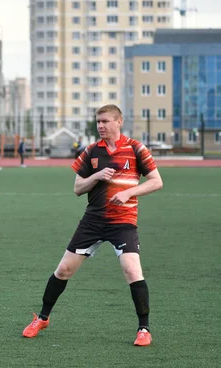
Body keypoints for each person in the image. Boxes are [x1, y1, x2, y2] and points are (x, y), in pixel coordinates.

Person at [21, 104, 163, 347]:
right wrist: (96, 176)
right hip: (93, 221)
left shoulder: (136, 148)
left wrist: (129, 192)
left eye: (106, 121)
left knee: (132, 270)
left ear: (119, 121)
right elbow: (77, 189)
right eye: (98, 122)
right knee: (64, 270)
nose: (101, 126)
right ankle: (42, 318)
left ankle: (144, 328)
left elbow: (156, 182)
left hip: (123, 222)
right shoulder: (90, 152)